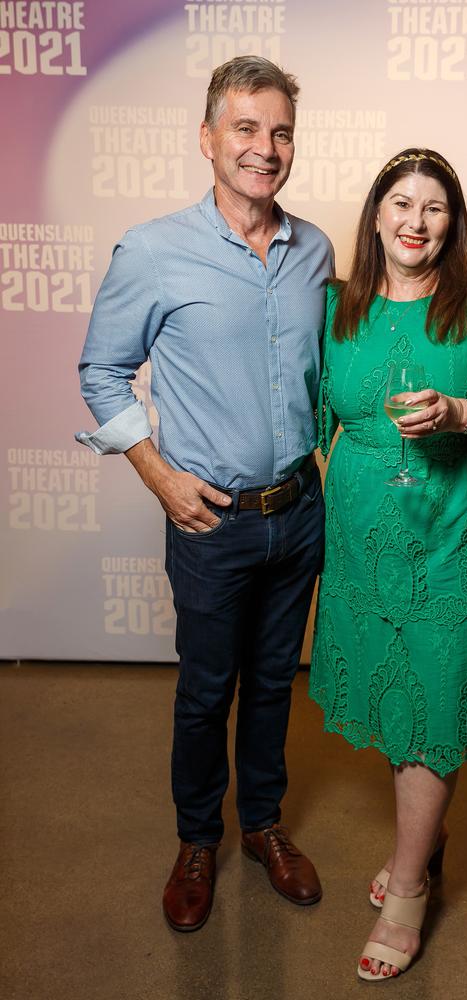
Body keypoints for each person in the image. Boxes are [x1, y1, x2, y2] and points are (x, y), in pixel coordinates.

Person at [76, 57, 334, 931]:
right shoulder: (152, 250)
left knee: (272, 684)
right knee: (205, 690)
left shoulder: (318, 251)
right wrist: (156, 474)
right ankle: (198, 839)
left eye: (281, 132)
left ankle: (261, 826)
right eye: (247, 129)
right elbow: (103, 371)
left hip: (299, 512)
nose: (266, 149)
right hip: (210, 519)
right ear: (208, 139)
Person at [309, 147, 467, 980]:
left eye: (435, 208)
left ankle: (411, 884)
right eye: (402, 204)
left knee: (436, 698)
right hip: (360, 538)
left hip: (451, 532)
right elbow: (317, 417)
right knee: (397, 695)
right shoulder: (337, 306)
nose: (416, 223)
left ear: (453, 222)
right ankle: (427, 832)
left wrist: (460, 410)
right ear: (376, 213)